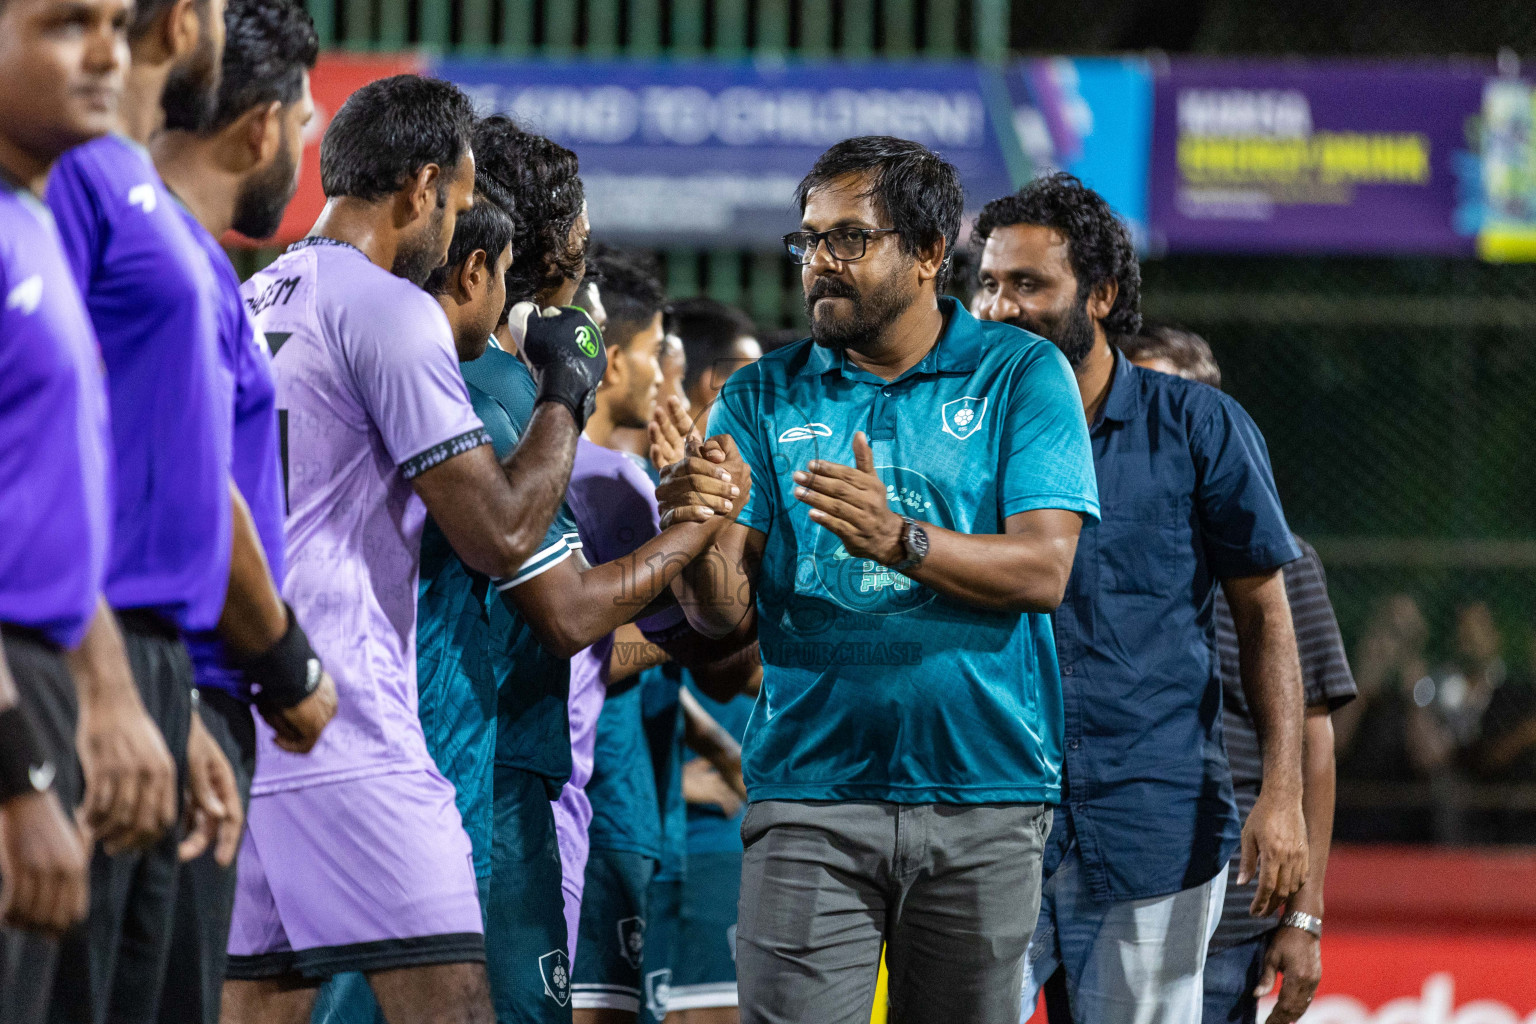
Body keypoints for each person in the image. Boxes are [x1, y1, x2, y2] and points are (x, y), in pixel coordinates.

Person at [672, 136, 1099, 1024]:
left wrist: (900, 539)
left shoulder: (1021, 375)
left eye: (849, 239)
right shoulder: (758, 396)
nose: (819, 262)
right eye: (809, 240)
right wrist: (698, 532)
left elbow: (1044, 569)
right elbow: (723, 619)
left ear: (930, 254)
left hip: (983, 796)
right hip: (808, 797)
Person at [221, 77, 608, 1024]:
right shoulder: (387, 308)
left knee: (258, 1005)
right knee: (456, 1007)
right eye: (465, 202)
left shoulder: (249, 293)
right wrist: (569, 385)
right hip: (350, 711)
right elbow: (503, 531)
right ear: (423, 187)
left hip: (249, 700)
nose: (461, 227)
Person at [47, 0, 336, 1014]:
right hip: (108, 663)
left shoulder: (172, 235)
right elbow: (166, 474)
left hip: (166, 677)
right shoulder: (86, 185)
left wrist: (169, 708)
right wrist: (283, 657)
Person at [972, 173, 1308, 1024]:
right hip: (986, 822)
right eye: (987, 284)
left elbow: (1267, 615)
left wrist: (1282, 796)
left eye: (1028, 284)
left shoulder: (1199, 427)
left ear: (1102, 293)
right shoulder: (959, 436)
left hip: (1152, 819)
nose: (1000, 306)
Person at [148, 2, 329, 1021]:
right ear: (262, 126)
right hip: (176, 683)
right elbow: (189, 484)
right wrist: (287, 660)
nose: (300, 150)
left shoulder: (192, 260)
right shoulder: (168, 259)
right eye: (303, 127)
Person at [1118, 324, 1358, 1024]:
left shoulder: (1284, 561)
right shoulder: (1081, 547)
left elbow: (1316, 746)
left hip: (1234, 905)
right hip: (1111, 885)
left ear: (1212, 413)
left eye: (1175, 397)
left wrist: (1305, 916)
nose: (1160, 422)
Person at [0, 0, 133, 1017]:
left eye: (122, 22)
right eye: (64, 24)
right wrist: (19, 777)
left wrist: (108, 698)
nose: (107, 53)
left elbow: (49, 511)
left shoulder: (36, 222)